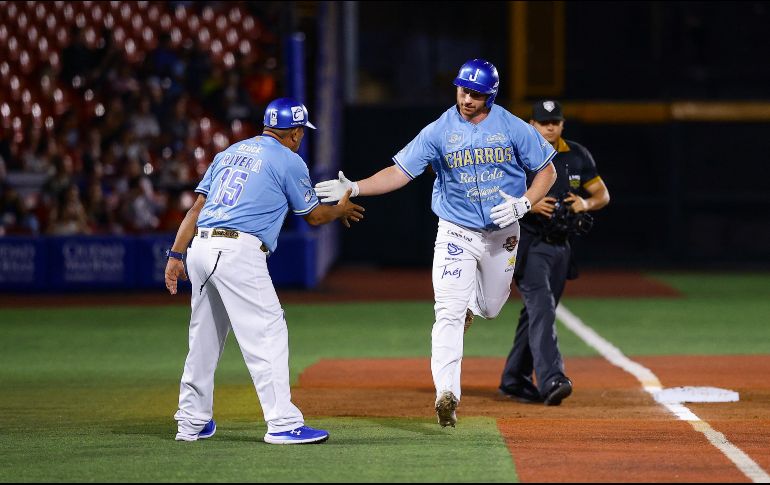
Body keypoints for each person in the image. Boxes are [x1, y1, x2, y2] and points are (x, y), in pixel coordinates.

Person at [314, 59, 557, 427]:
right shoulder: (440, 130)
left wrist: (525, 202)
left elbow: (547, 170)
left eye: (476, 93)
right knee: (447, 311)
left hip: (501, 231)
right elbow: (400, 171)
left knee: (491, 307)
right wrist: (356, 186)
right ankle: (447, 394)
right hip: (455, 230)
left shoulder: (512, 126)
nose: (467, 99)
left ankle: (473, 307)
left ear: (491, 95)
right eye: (463, 90)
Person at [164, 97, 365, 444]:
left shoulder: (229, 153)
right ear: (296, 132)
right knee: (268, 333)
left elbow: (197, 208)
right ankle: (283, 423)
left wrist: (175, 254)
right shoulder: (289, 159)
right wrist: (339, 209)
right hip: (237, 251)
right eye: (301, 132)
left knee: (204, 339)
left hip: (201, 247)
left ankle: (192, 421)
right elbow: (314, 216)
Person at [498, 99, 610, 406]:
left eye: (555, 122)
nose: (550, 126)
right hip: (529, 243)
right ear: (531, 124)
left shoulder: (576, 154)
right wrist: (528, 203)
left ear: (562, 124)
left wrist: (586, 204)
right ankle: (552, 379)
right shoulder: (516, 153)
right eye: (543, 122)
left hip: (562, 246)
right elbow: (493, 192)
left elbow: (602, 193)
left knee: (536, 314)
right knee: (543, 308)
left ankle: (513, 379)